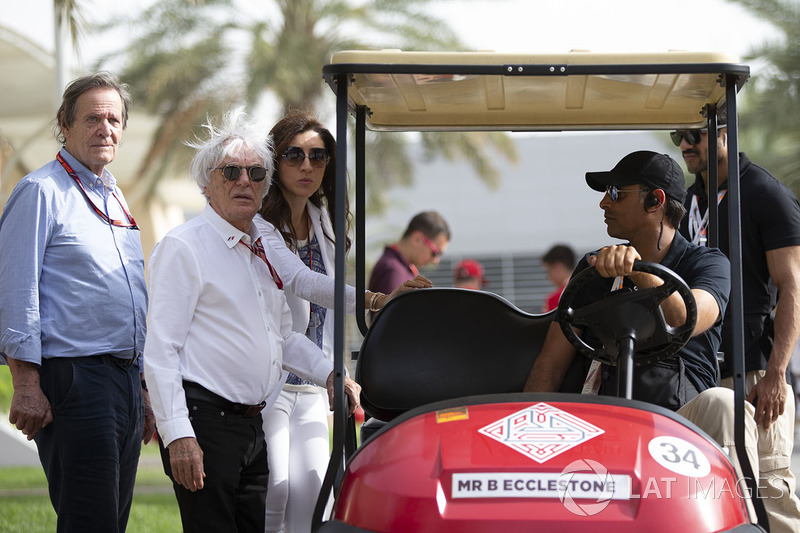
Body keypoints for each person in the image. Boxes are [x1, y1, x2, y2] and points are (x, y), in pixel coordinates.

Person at [142, 108, 361, 533]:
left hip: (251, 429)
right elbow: (161, 351)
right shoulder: (183, 247)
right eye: (232, 172)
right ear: (208, 184)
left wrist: (330, 373)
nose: (245, 181)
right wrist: (178, 435)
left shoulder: (260, 248)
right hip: (205, 426)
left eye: (257, 174)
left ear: (266, 188)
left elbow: (284, 338)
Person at [523, 150, 759, 489]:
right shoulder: (594, 270)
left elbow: (688, 318)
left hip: (681, 427)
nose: (604, 203)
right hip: (604, 424)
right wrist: (529, 434)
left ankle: (739, 519)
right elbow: (551, 363)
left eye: (616, 193)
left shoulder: (709, 264)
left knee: (725, 403)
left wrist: (639, 272)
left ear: (655, 201)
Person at [253, 112, 430, 533]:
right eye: (294, 155)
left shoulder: (324, 223)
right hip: (272, 381)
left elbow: (329, 296)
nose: (307, 166)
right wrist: (376, 300)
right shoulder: (259, 224)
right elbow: (300, 280)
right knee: (274, 490)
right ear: (275, 161)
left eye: (318, 156)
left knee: (317, 493)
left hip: (317, 384)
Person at [0, 72, 153, 533]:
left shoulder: (115, 196)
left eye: (113, 119)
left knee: (113, 520)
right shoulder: (41, 191)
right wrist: (25, 382)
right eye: (92, 118)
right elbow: (14, 287)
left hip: (124, 379)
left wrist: (142, 387)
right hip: (76, 378)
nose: (104, 127)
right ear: (64, 126)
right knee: (90, 520)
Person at [675, 109, 800, 532]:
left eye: (694, 135)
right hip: (701, 381)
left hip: (754, 377)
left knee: (771, 498)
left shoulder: (766, 194)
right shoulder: (689, 201)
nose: (684, 145)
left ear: (724, 131)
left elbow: (792, 288)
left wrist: (776, 374)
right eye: (679, 135)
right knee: (711, 501)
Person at [368, 210, 450, 295]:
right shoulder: (394, 271)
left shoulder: (400, 267)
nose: (435, 261)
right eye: (435, 253)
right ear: (417, 239)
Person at [541, 244, 576, 312]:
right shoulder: (588, 289)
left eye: (548, 271)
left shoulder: (555, 298)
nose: (548, 277)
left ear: (558, 267)